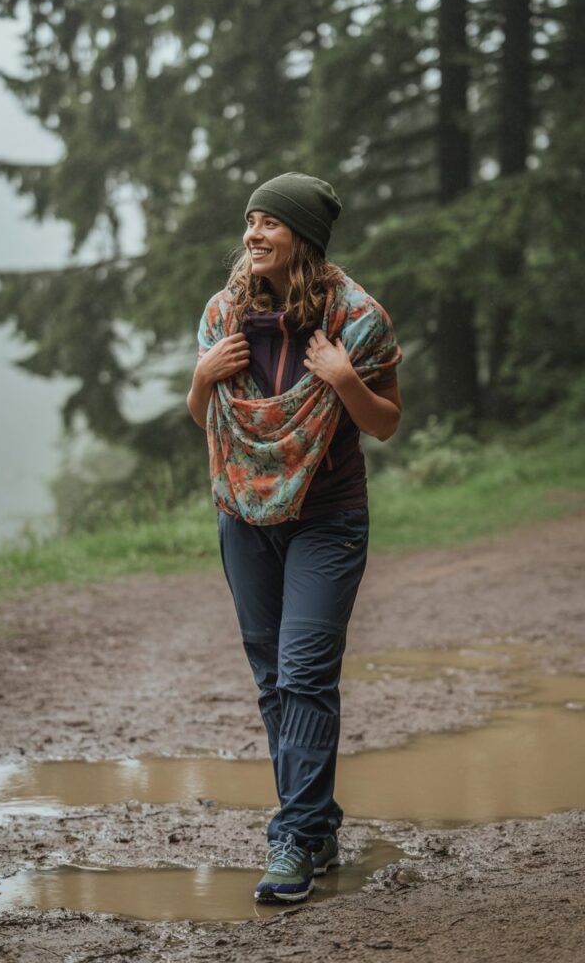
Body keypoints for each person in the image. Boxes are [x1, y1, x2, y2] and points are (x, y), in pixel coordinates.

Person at [186, 172, 402, 903]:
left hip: (326, 517)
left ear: (301, 237)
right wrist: (199, 377)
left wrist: (343, 379)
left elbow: (385, 422)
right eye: (249, 221)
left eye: (268, 223)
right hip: (243, 515)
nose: (253, 234)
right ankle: (316, 822)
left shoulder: (356, 319)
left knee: (304, 672)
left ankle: (290, 839)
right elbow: (208, 417)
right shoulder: (226, 312)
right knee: (274, 679)